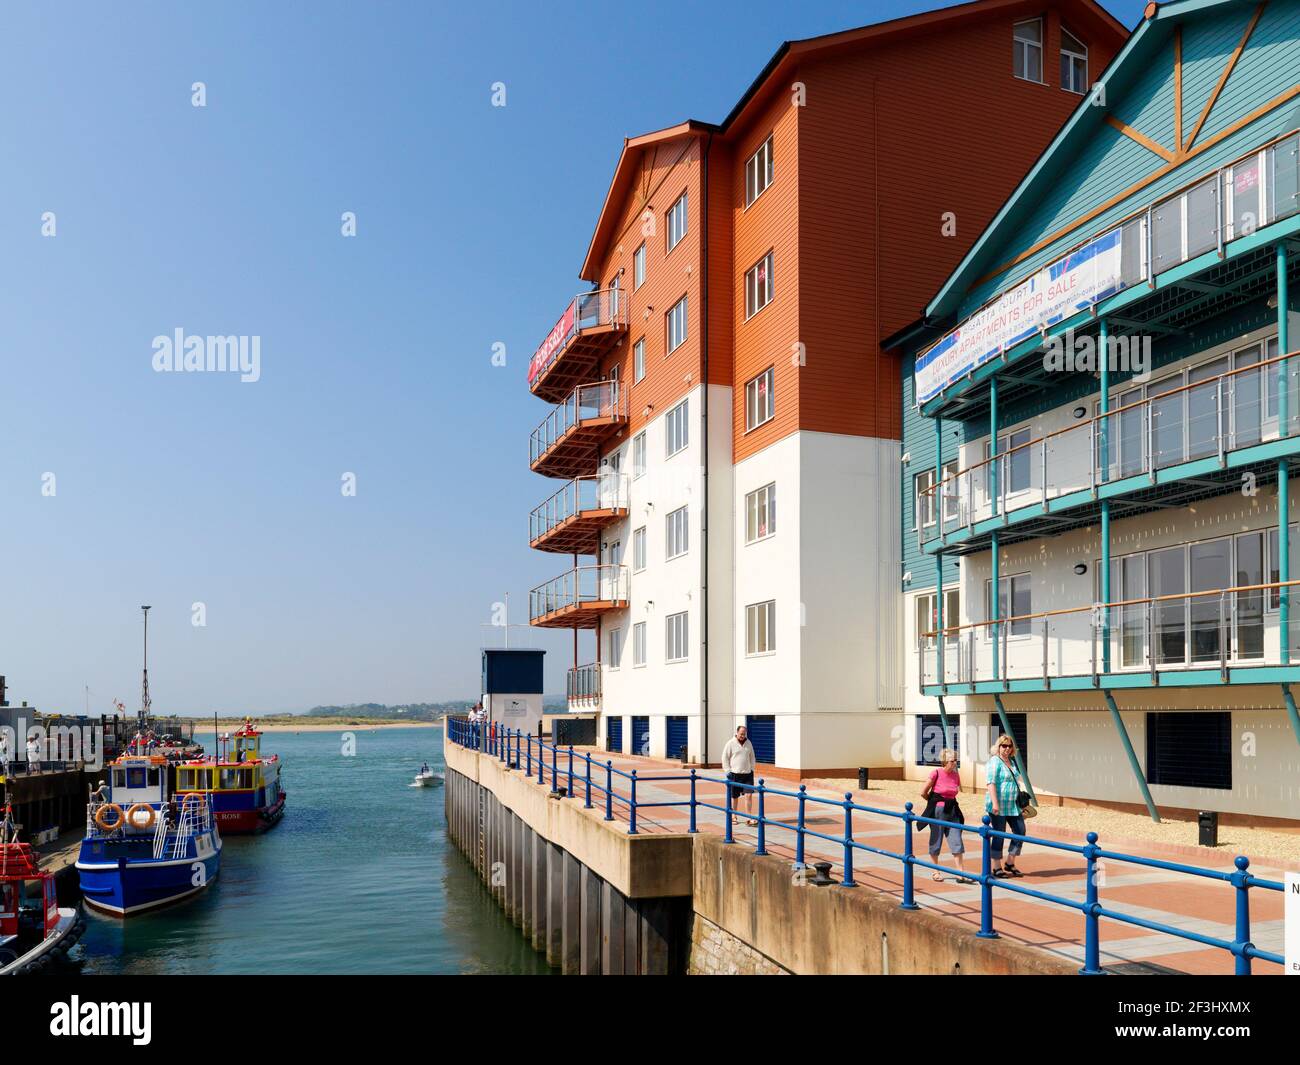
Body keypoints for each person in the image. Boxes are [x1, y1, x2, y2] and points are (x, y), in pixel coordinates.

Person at [920, 749, 973, 884]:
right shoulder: (936, 773)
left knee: (956, 840)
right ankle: (935, 871)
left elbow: (955, 792)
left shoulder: (956, 775)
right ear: (944, 761)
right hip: (938, 811)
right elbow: (923, 792)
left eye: (956, 760)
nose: (955, 763)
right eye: (952, 761)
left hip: (953, 810)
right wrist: (935, 803)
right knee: (936, 840)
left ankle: (960, 873)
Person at [986, 734, 1027, 878]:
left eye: (1009, 746)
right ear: (998, 747)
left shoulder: (1012, 762)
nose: (1007, 748)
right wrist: (995, 803)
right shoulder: (994, 761)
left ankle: (1010, 862)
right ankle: (996, 866)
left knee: (1020, 831)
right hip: (999, 804)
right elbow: (991, 783)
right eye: (1004, 745)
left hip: (1013, 805)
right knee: (999, 834)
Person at [720, 725, 757, 827]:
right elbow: (725, 757)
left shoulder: (748, 743)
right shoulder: (730, 743)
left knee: (749, 795)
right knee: (734, 797)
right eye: (741, 734)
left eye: (744, 734)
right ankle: (734, 816)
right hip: (734, 774)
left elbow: (752, 757)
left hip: (747, 774)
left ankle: (749, 818)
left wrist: (752, 769)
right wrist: (727, 771)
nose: (742, 736)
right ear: (737, 733)